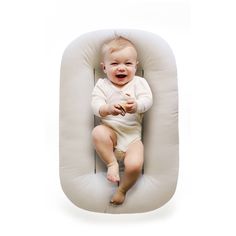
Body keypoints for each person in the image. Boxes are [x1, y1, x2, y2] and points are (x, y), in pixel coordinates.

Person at [91, 36, 153, 205]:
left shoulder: (139, 83)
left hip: (132, 138)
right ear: (104, 67)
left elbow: (148, 100)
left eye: (128, 63)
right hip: (111, 135)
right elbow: (95, 105)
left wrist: (137, 105)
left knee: (135, 165)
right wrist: (107, 108)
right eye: (114, 64)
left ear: (135, 66)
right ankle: (112, 163)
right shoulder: (102, 85)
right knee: (98, 132)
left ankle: (122, 189)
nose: (121, 68)